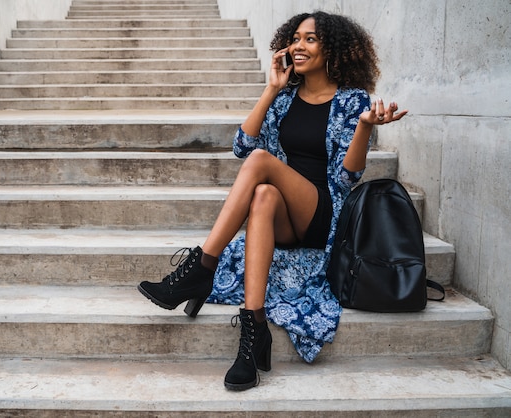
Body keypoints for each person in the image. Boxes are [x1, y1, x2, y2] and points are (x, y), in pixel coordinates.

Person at [137, 11, 408, 391]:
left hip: (322, 213)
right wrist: (271, 89)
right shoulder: (285, 100)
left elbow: (348, 177)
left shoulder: (351, 101)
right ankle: (254, 330)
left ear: (332, 48)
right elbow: (240, 146)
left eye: (310, 39)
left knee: (263, 163)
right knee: (263, 192)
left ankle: (202, 266)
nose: (298, 45)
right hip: (282, 214)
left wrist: (364, 126)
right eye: (295, 38)